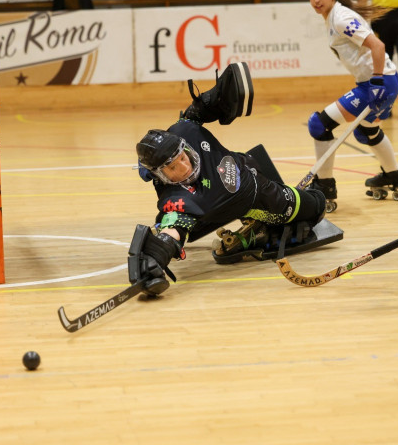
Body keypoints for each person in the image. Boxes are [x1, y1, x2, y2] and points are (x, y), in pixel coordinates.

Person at [129, 63, 331, 296]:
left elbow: (194, 114)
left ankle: (262, 227)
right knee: (316, 204)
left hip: (250, 167)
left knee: (317, 203)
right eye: (173, 167)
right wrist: (157, 254)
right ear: (160, 175)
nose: (184, 166)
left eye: (183, 157)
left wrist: (212, 99)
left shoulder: (184, 132)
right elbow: (174, 227)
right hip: (261, 201)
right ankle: (260, 226)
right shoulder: (178, 200)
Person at [306, 0, 398, 208]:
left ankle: (325, 187)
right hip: (385, 81)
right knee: (368, 131)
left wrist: (377, 82)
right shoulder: (334, 17)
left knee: (319, 124)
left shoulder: (341, 18)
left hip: (378, 83)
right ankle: (394, 175)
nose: (316, 0)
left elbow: (378, 46)